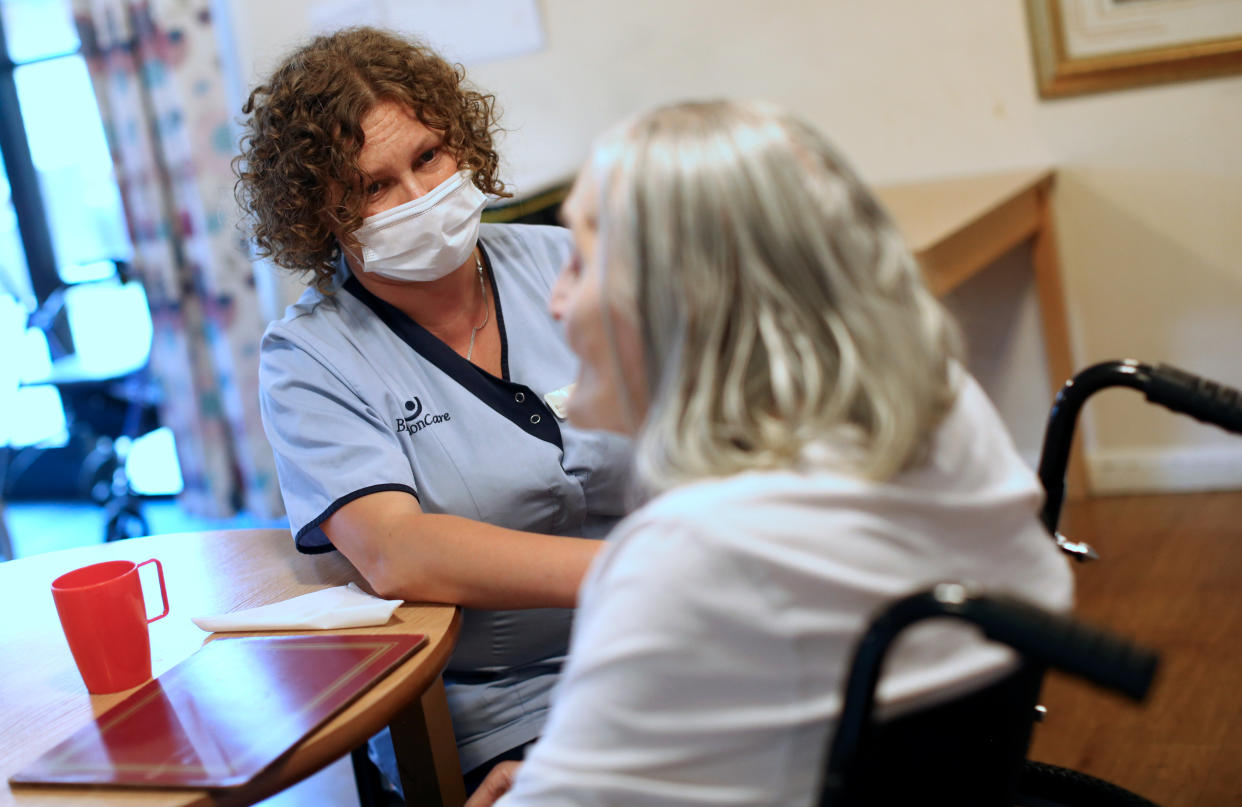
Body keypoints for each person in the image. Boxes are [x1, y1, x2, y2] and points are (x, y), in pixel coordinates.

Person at [465, 100, 1075, 806]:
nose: (555, 301)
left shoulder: (693, 548)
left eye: (580, 259)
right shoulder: (942, 403)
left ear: (682, 295)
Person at [233, 27, 631, 791]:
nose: (420, 198)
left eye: (428, 157)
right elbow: (395, 550)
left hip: (671, 642)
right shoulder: (310, 359)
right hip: (509, 711)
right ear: (321, 217)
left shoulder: (564, 263)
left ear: (463, 144)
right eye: (374, 187)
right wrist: (639, 567)